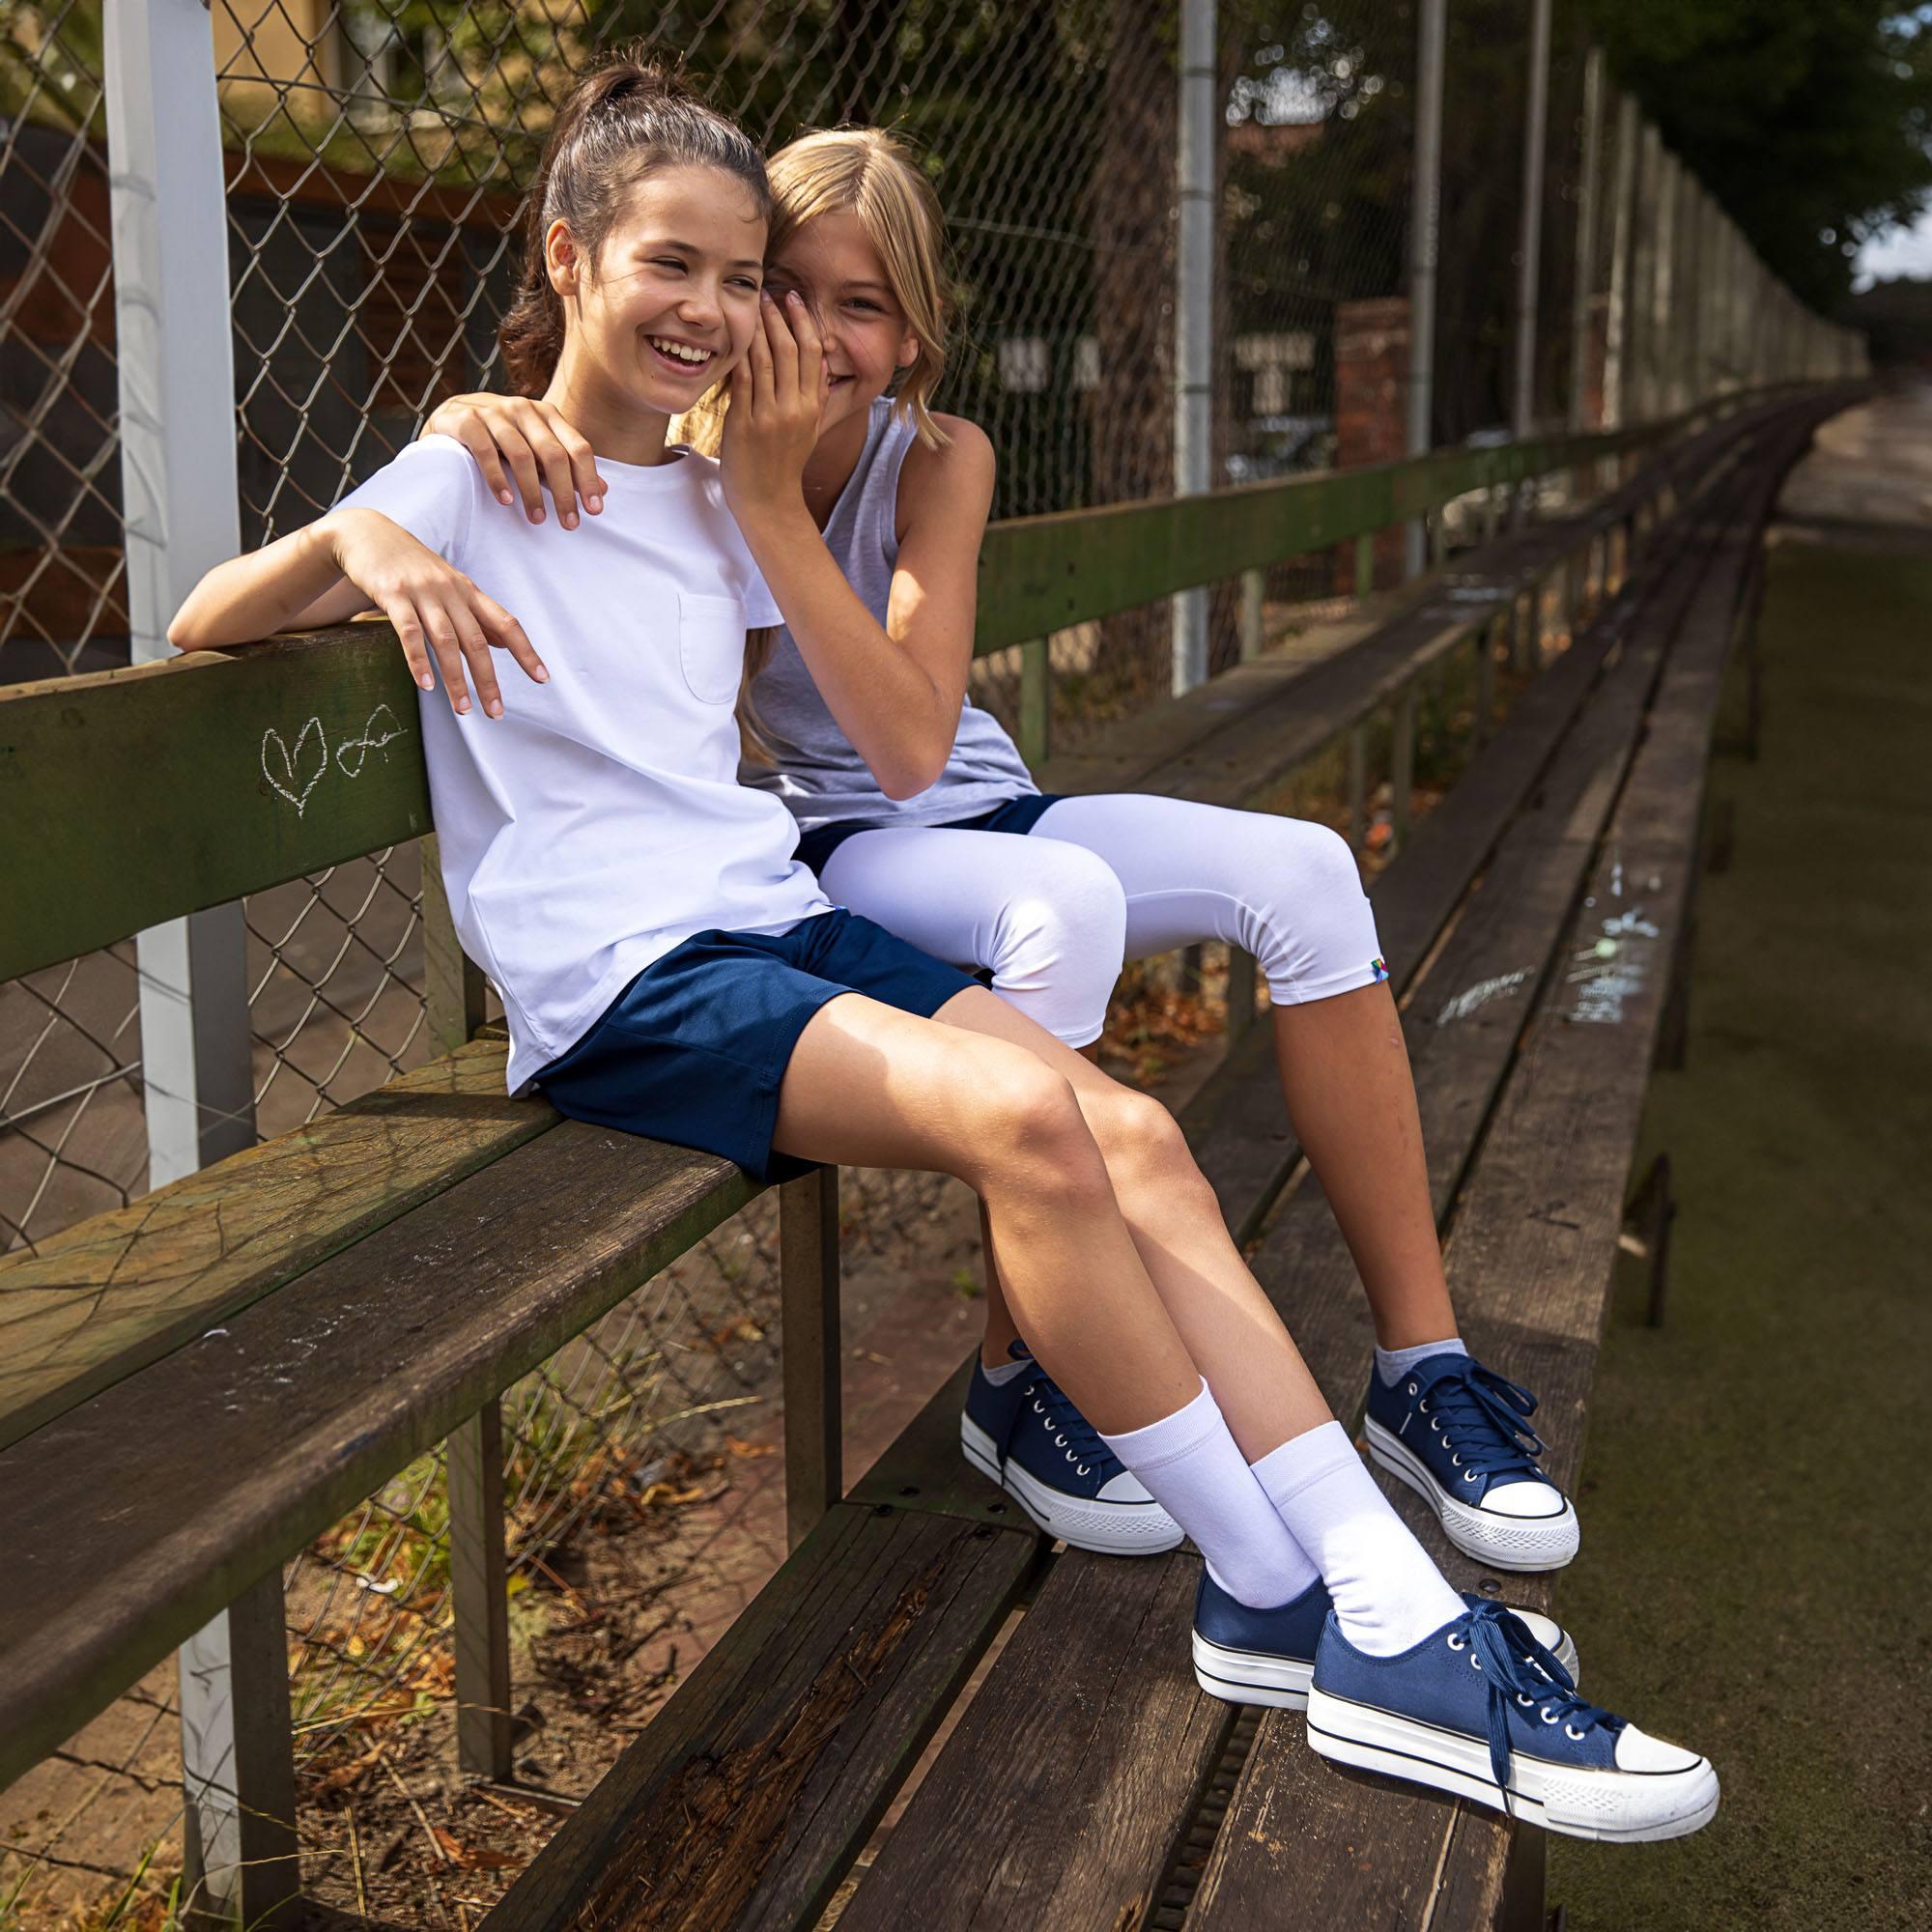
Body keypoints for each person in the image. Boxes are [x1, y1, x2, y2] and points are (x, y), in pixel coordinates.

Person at [172, 61, 1716, 1839]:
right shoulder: (467, 475)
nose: (720, 313)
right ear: (570, 253)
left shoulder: (708, 499)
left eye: (744, 279)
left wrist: (771, 458)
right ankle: (1307, 1601)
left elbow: (858, 647)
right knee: (1040, 1125)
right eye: (678, 265)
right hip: (625, 985)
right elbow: (212, 617)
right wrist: (375, 520)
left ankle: (1384, 1606)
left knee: (1126, 1129)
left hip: (779, 919)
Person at [424, 128, 1577, 1585]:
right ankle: (1020, 1378)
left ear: (913, 328)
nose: (820, 334)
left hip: (977, 806)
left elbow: (923, 748)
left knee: (1309, 874)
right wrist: (480, 416)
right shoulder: (696, 460)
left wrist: (780, 502)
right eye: (789, 288)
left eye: (865, 302)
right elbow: (561, 462)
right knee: (1062, 905)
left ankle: (1423, 1368)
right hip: (828, 851)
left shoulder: (938, 456)